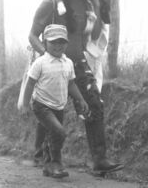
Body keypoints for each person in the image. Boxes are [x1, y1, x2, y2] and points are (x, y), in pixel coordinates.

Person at [28, 0, 123, 174]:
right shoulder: (51, 4)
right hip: (53, 65)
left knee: (94, 103)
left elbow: (95, 34)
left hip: (78, 63)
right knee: (53, 111)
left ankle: (99, 159)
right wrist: (48, 58)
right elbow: (33, 35)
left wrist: (97, 6)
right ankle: (52, 162)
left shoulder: (88, 5)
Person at [21, 24, 89, 178]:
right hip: (41, 105)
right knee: (59, 132)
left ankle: (48, 166)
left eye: (61, 42)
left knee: (52, 134)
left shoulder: (68, 63)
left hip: (59, 106)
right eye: (53, 42)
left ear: (66, 43)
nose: (58, 46)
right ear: (45, 43)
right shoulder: (40, 63)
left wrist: (81, 99)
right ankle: (56, 162)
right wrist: (25, 105)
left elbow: (71, 84)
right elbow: (30, 83)